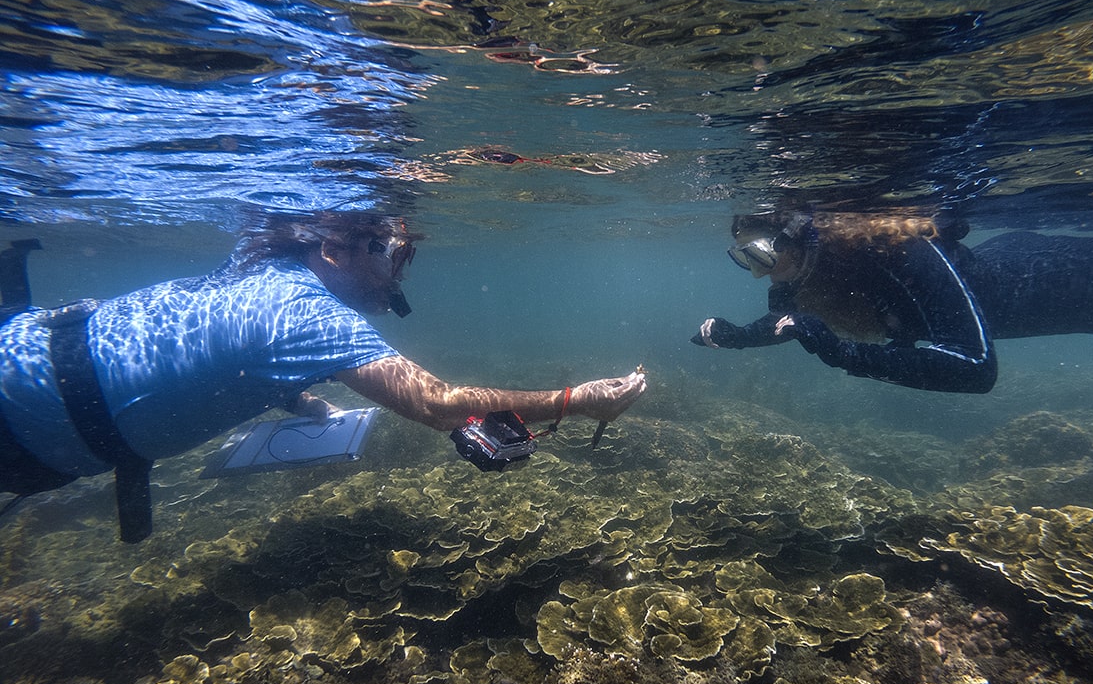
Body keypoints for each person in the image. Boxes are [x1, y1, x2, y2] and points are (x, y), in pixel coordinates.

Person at [1, 213, 646, 542]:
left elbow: (228, 344)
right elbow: (440, 404)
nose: (395, 275)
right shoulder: (305, 311)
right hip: (21, 421)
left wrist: (298, 397)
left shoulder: (258, 275)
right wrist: (574, 400)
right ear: (329, 248)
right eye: (387, 252)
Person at [692, 209, 1093, 394]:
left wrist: (843, 354)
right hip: (1034, 274)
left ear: (797, 237)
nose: (756, 271)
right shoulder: (797, 276)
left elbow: (976, 368)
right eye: (744, 259)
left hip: (1060, 281)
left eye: (758, 254)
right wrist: (734, 337)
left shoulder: (894, 250)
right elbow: (787, 321)